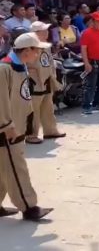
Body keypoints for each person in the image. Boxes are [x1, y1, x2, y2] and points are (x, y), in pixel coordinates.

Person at [0, 33, 55, 221]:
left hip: (17, 125)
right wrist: (6, 125)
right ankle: (29, 207)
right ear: (27, 50)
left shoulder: (20, 66)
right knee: (17, 168)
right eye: (36, 50)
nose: (38, 54)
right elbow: (1, 101)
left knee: (3, 169)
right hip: (7, 129)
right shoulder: (4, 69)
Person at [26, 22, 65, 143]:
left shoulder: (46, 45)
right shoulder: (29, 46)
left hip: (47, 79)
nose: (47, 32)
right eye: (43, 30)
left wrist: (53, 77)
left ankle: (50, 130)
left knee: (48, 107)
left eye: (46, 30)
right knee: (33, 109)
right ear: (35, 33)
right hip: (34, 80)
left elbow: (49, 61)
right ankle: (31, 135)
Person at [80, 12, 99, 115]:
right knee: (91, 85)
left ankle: (97, 103)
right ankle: (86, 105)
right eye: (98, 21)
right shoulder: (86, 33)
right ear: (92, 21)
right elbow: (83, 49)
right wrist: (86, 63)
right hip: (93, 61)